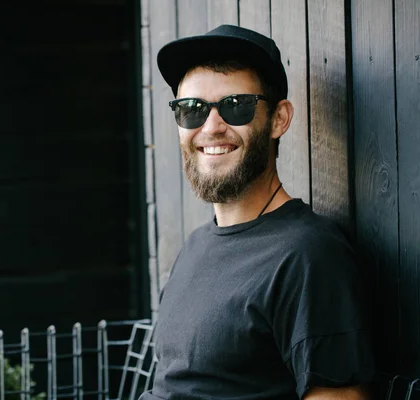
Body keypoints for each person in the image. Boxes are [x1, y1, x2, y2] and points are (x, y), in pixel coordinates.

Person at [142, 25, 375, 399]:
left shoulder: (307, 254)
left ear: (279, 119)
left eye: (237, 106)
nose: (211, 126)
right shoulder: (197, 245)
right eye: (192, 110)